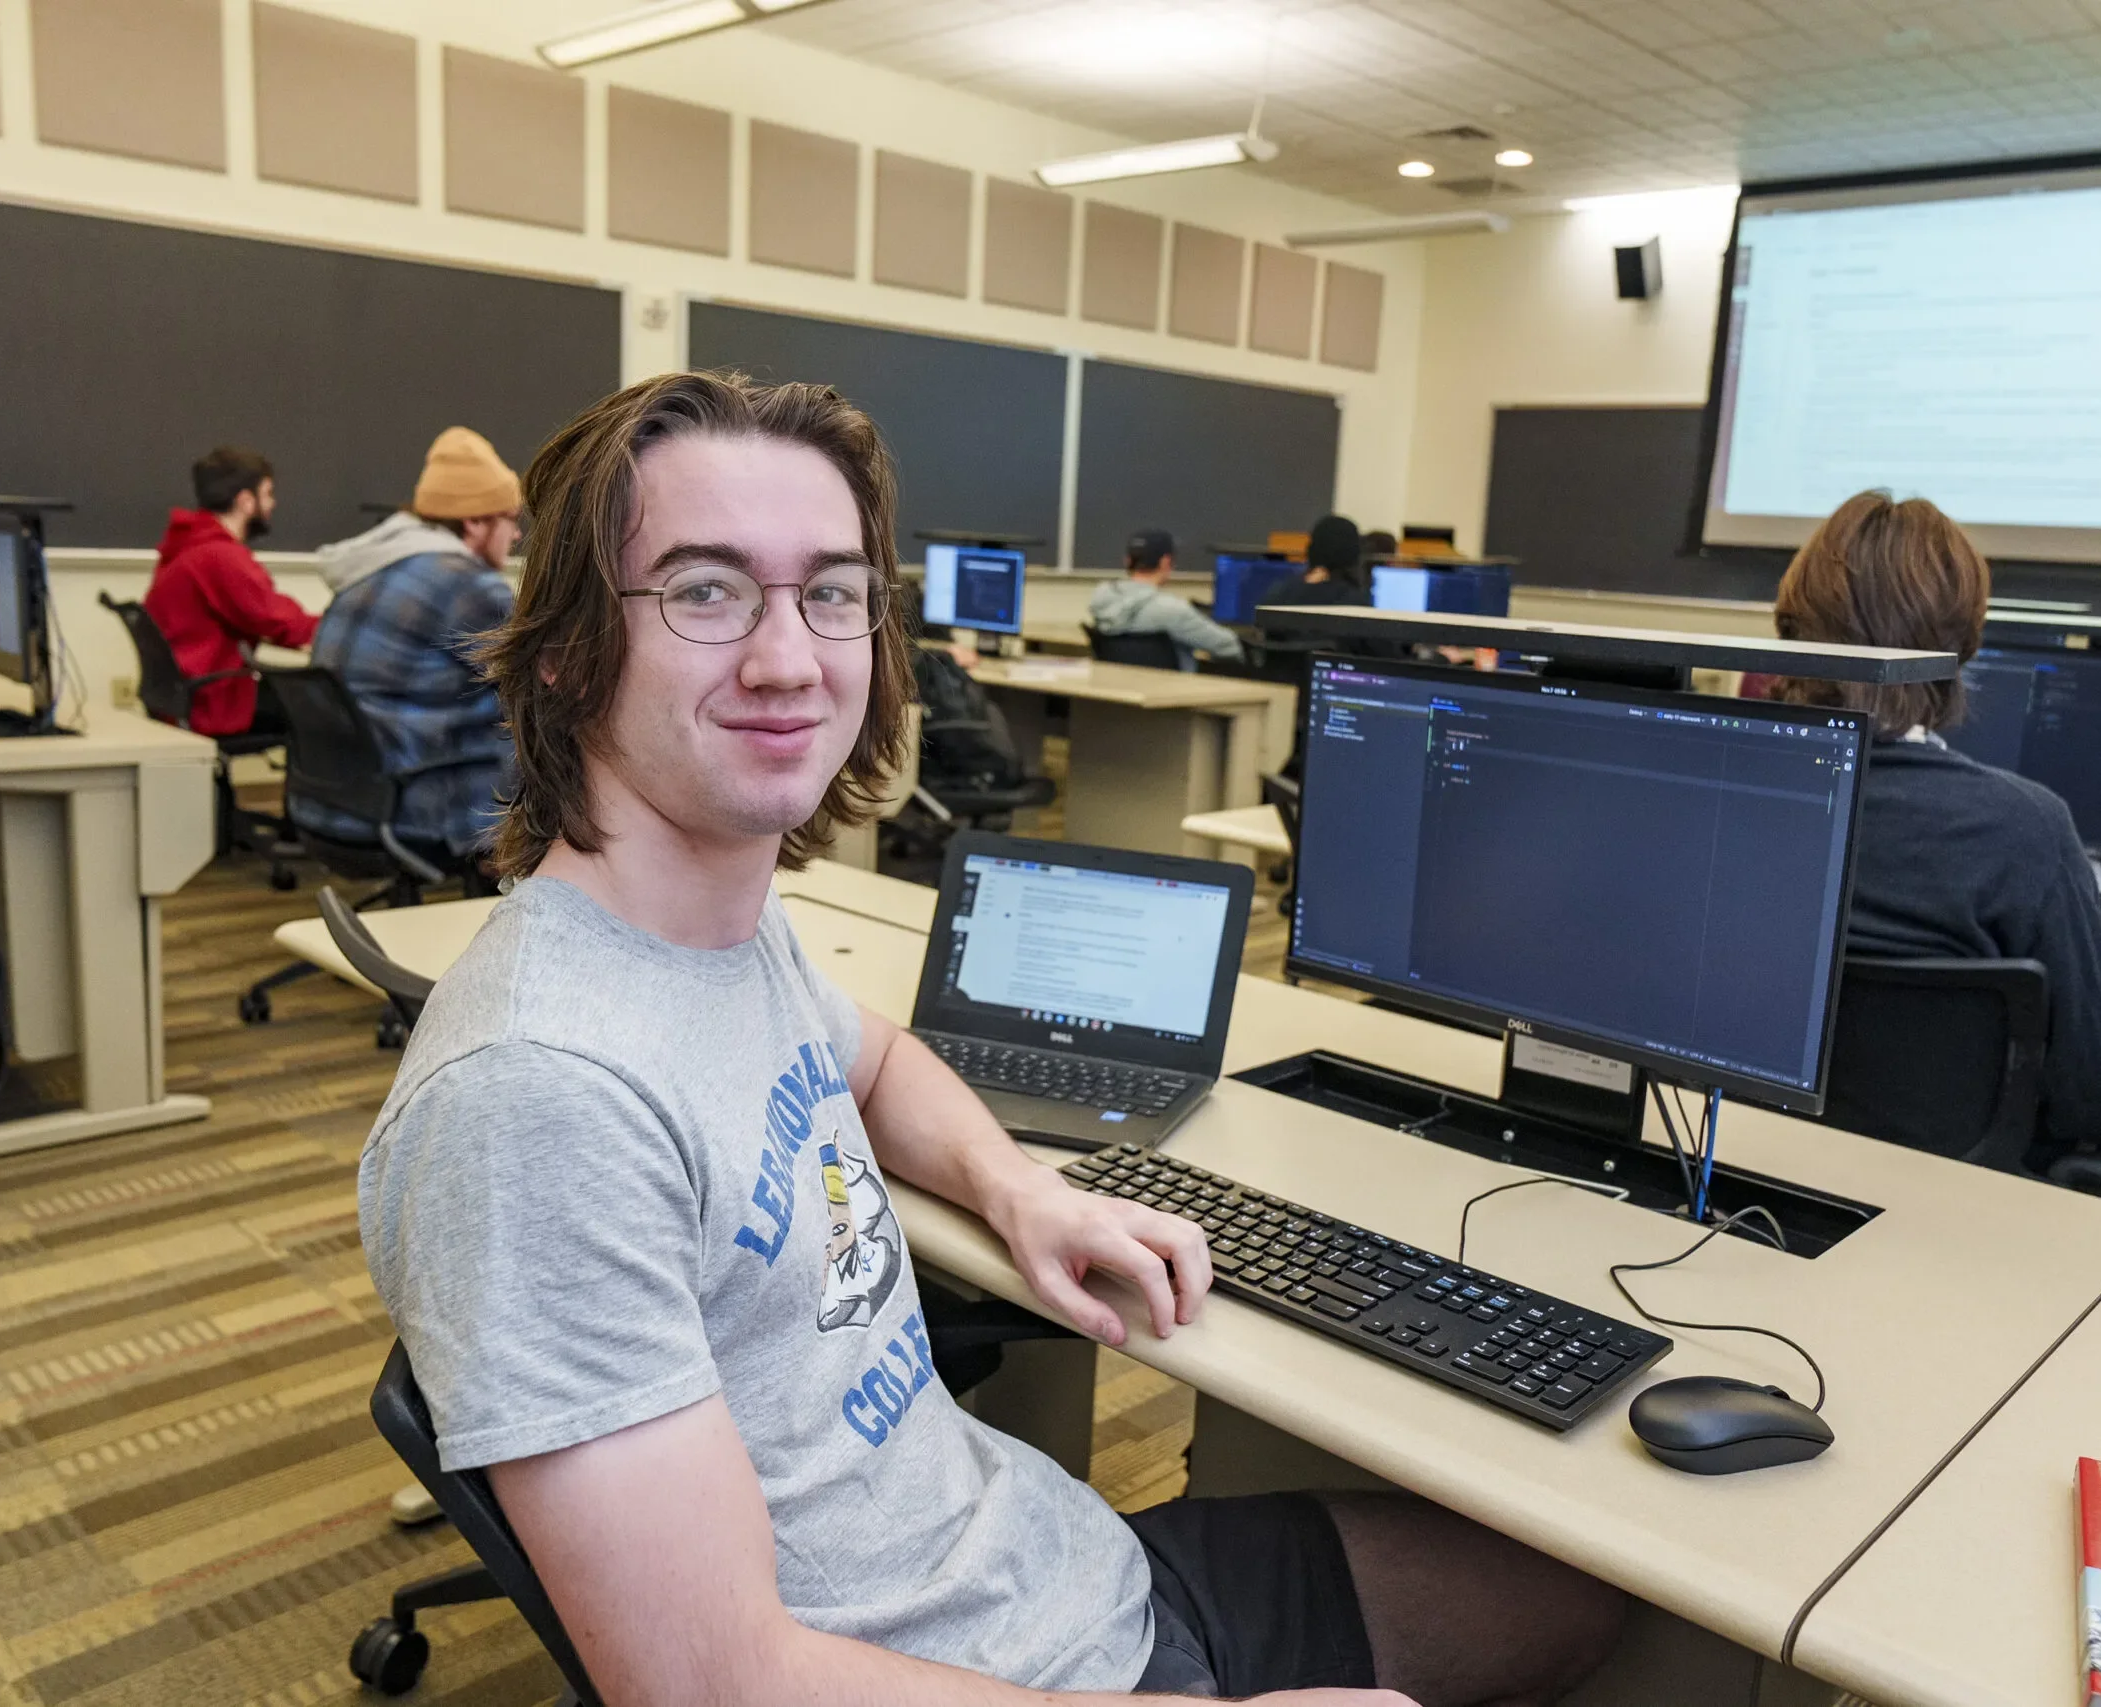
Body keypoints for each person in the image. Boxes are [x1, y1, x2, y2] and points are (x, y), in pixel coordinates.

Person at [356, 371, 1623, 1705]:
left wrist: (1027, 1191)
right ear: (563, 647)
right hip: (976, 1673)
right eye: (706, 589)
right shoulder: (539, 1096)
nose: (791, 655)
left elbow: (879, 1060)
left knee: (1594, 1591)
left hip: (1056, 1570)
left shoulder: (720, 928)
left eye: (831, 591)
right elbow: (715, 1683)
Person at [1772, 490, 2101, 1243]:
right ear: (1962, 644)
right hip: (1963, 1207)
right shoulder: (2020, 829)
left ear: (1792, 630)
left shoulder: (1731, 794)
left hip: (1758, 1178)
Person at [296, 428, 523, 866]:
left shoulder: (369, 570)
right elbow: (551, 684)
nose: (515, 535)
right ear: (474, 522)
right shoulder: (467, 586)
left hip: (340, 797)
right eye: (510, 518)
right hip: (416, 802)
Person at [145, 446, 317, 736]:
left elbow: (258, 612)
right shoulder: (219, 556)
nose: (273, 504)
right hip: (213, 702)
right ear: (246, 501)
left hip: (183, 698)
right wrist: (340, 626)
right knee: (328, 709)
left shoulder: (187, 544)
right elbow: (277, 620)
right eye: (268, 494)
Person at [1086, 528, 1244, 669]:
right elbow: (1229, 647)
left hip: (1122, 693)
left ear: (1127, 561)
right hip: (1173, 696)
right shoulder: (1172, 610)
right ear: (1165, 562)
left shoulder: (1101, 597)